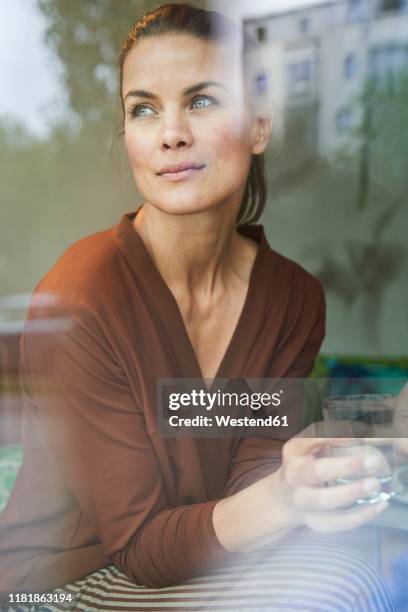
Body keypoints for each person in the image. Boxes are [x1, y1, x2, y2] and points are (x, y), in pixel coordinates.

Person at [0, 4, 396, 611]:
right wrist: (285, 499)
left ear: (259, 126)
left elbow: (246, 463)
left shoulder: (290, 298)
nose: (170, 133)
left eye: (202, 100)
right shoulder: (82, 300)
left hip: (201, 552)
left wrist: (358, 435)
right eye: (143, 108)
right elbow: (140, 546)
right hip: (64, 580)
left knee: (370, 570)